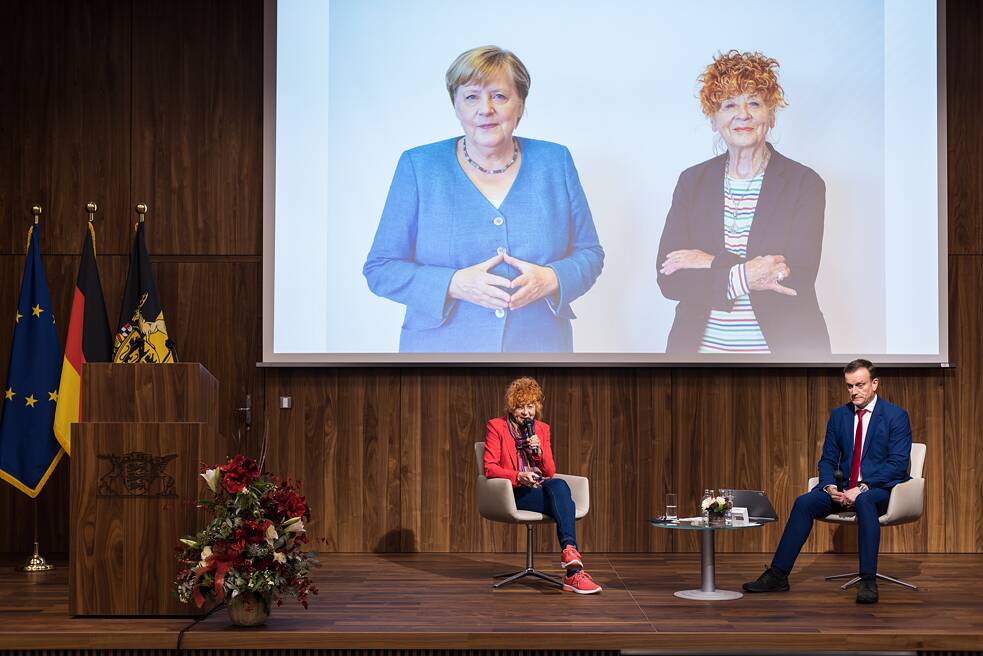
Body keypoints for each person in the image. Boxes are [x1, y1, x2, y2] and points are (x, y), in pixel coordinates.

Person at [363, 46, 604, 352]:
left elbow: (590, 253)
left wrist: (552, 278)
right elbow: (381, 268)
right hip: (439, 356)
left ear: (520, 104)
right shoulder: (418, 166)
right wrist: (453, 284)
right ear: (457, 106)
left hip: (539, 351)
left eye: (499, 96)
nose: (485, 108)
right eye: (471, 96)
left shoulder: (555, 161)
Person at [657, 50, 830, 356]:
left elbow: (796, 275)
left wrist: (709, 261)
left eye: (754, 103)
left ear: (771, 115)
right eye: (728, 105)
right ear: (714, 120)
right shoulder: (692, 181)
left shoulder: (804, 183)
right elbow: (669, 278)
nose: (743, 115)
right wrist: (749, 273)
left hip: (785, 360)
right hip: (698, 359)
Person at [743, 359, 912, 603]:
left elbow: (896, 465)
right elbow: (827, 459)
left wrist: (862, 488)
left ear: (875, 384)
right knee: (804, 502)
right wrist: (828, 485)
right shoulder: (840, 415)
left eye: (860, 385)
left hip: (879, 490)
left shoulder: (896, 416)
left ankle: (868, 580)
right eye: (849, 386)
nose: (854, 391)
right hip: (844, 490)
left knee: (864, 501)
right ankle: (778, 575)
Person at [483, 377, 601, 594]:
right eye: (521, 407)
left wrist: (538, 451)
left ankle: (570, 558)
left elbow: (548, 471)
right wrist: (519, 476)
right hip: (514, 492)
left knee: (559, 485)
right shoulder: (497, 427)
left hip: (540, 487)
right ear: (511, 407)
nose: (526, 413)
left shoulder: (542, 429)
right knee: (566, 503)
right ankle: (573, 574)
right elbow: (489, 468)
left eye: (530, 407)